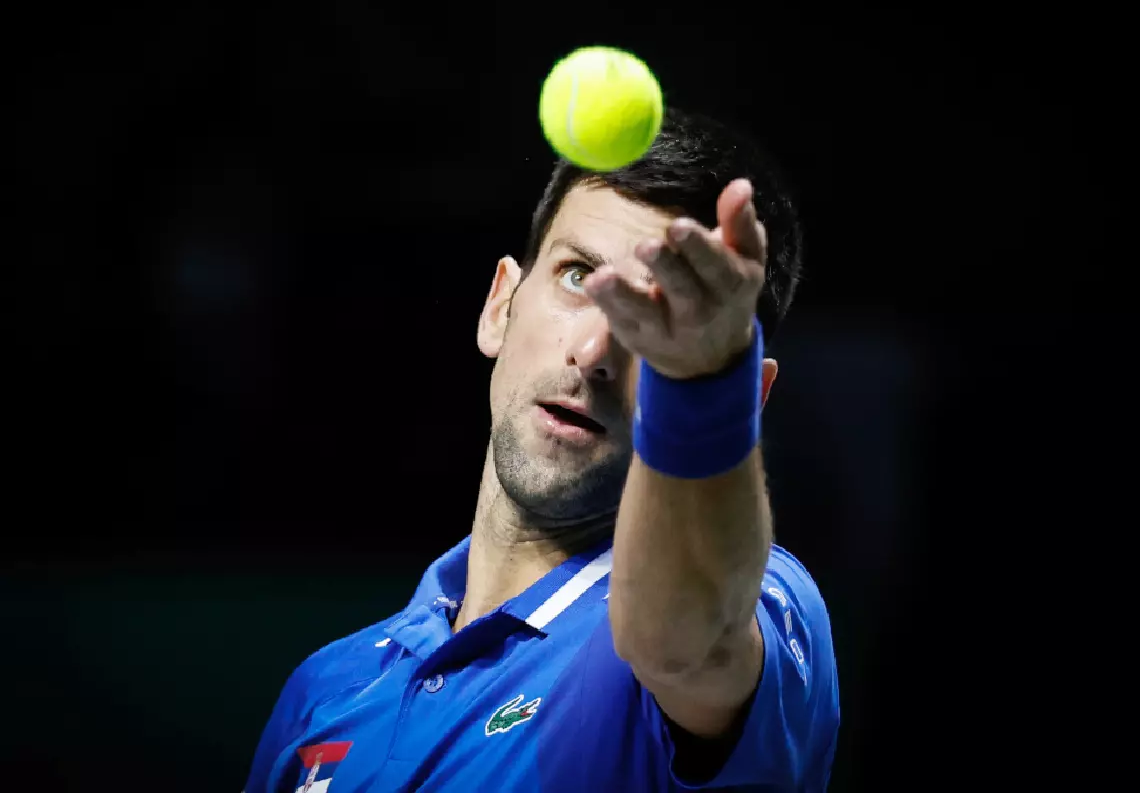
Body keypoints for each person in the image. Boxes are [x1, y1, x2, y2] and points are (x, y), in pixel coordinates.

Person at [245, 108, 840, 793]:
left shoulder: (759, 601)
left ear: (744, 398)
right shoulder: (325, 690)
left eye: (663, 320)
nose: (594, 355)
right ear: (501, 302)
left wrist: (702, 394)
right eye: (578, 277)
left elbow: (687, 643)